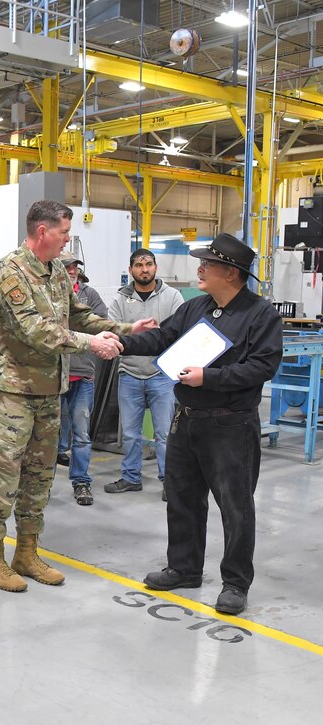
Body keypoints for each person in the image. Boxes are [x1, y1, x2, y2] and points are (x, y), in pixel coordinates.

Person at [0, 201, 148, 593]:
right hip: (13, 393)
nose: (68, 240)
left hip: (50, 391)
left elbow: (78, 315)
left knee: (39, 477)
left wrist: (126, 328)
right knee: (4, 476)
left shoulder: (56, 270)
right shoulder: (8, 272)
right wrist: (91, 344)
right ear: (43, 231)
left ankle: (26, 552)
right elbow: (34, 329)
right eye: (64, 232)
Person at [121, 233, 282, 616]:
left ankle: (236, 583)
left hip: (231, 427)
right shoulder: (197, 308)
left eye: (208, 264)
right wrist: (121, 341)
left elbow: (262, 367)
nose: (200, 269)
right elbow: (164, 337)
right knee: (183, 499)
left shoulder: (261, 315)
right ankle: (184, 568)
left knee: (235, 507)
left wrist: (208, 378)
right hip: (187, 421)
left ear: (231, 273)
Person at [106, 248, 185, 497]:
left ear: (155, 268)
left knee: (164, 434)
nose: (144, 269)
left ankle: (169, 482)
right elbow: (113, 331)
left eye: (148, 264)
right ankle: (131, 477)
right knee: (130, 434)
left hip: (162, 375)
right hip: (129, 373)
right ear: (130, 270)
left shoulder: (172, 296)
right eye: (139, 265)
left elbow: (180, 331)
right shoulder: (120, 299)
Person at [57, 252, 108, 507]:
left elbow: (100, 325)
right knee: (46, 434)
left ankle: (81, 482)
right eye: (67, 267)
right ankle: (41, 486)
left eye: (75, 267)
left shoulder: (90, 296)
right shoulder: (49, 294)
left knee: (81, 434)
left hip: (83, 374)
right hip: (54, 376)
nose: (72, 271)